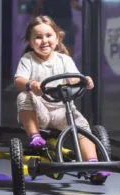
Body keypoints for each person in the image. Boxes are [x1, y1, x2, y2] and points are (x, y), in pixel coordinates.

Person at [14, 15, 111, 177]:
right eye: (38, 37)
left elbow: (74, 78)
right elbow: (18, 80)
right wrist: (31, 84)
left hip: (63, 111)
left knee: (81, 125)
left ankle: (93, 162)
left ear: (57, 38)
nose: (44, 40)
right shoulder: (28, 59)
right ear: (31, 43)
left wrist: (84, 80)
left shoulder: (64, 59)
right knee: (24, 96)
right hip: (39, 112)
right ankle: (35, 136)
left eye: (48, 36)